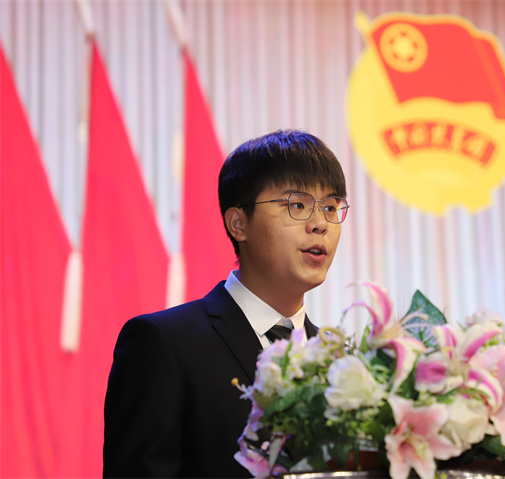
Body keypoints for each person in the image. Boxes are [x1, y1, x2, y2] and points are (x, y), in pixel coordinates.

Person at [103, 130, 349, 478]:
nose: (320, 224)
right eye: (297, 205)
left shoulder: (345, 363)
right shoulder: (164, 344)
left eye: (331, 207)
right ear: (238, 224)